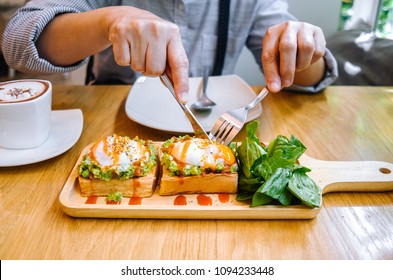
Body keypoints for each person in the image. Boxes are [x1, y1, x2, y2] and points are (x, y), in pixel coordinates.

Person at [1, 0, 337, 103]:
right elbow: (16, 43)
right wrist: (108, 20)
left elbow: (310, 82)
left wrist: (302, 48)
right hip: (109, 121)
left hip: (213, 126)